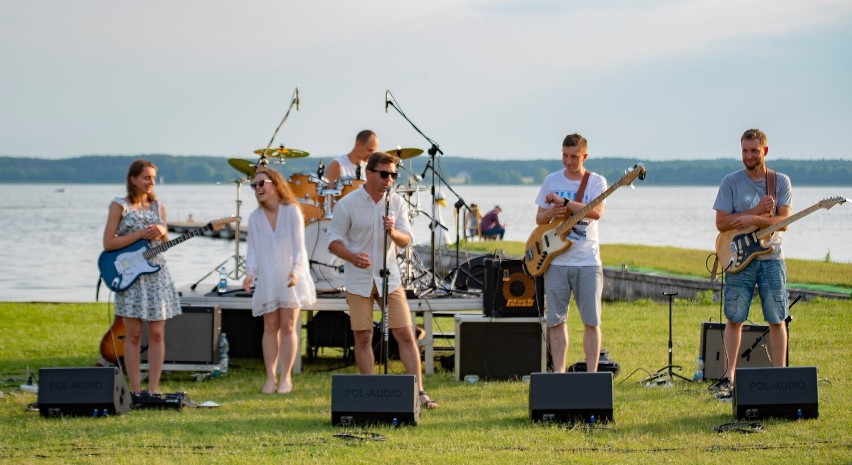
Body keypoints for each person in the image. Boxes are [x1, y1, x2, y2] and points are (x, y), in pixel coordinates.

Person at [327, 151, 439, 410]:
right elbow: (332, 241)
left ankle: (419, 393)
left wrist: (393, 231)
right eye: (384, 174)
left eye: (393, 175)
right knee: (363, 336)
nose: (389, 179)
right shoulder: (347, 204)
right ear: (369, 173)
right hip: (358, 280)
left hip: (390, 277)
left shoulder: (397, 202)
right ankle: (370, 393)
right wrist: (352, 257)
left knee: (405, 334)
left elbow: (407, 240)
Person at [712, 128, 792, 398]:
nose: (748, 155)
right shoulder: (730, 182)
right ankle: (728, 376)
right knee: (734, 318)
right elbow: (722, 223)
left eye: (754, 151)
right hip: (739, 258)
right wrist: (753, 212)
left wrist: (756, 220)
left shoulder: (780, 182)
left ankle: (780, 376)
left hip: (771, 259)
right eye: (745, 150)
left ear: (765, 151)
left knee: (776, 317)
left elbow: (784, 223)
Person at [102, 159, 181, 394]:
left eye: (153, 178)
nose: (151, 182)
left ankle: (154, 390)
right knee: (133, 334)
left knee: (157, 333)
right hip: (131, 276)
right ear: (133, 179)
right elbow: (108, 243)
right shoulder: (119, 206)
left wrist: (163, 232)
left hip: (157, 276)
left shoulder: (158, 207)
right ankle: (135, 390)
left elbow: (165, 245)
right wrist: (138, 235)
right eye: (147, 177)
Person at [534, 133, 607, 373]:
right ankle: (559, 373)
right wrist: (552, 210)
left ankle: (592, 375)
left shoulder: (596, 182)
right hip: (556, 261)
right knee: (556, 320)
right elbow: (539, 217)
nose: (568, 161)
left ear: (584, 156)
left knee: (591, 321)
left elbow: (596, 212)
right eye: (565, 156)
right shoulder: (551, 180)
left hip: (587, 261)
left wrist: (564, 202)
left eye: (574, 157)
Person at [242, 167, 316, 394]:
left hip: (291, 276)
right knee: (270, 326)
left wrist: (295, 271)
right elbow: (253, 250)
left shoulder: (291, 210)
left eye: (262, 183)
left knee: (287, 325)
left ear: (275, 184)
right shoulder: (254, 218)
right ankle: (270, 377)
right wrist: (249, 273)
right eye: (255, 185)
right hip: (268, 278)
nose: (258, 189)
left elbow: (298, 247)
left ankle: (286, 377)